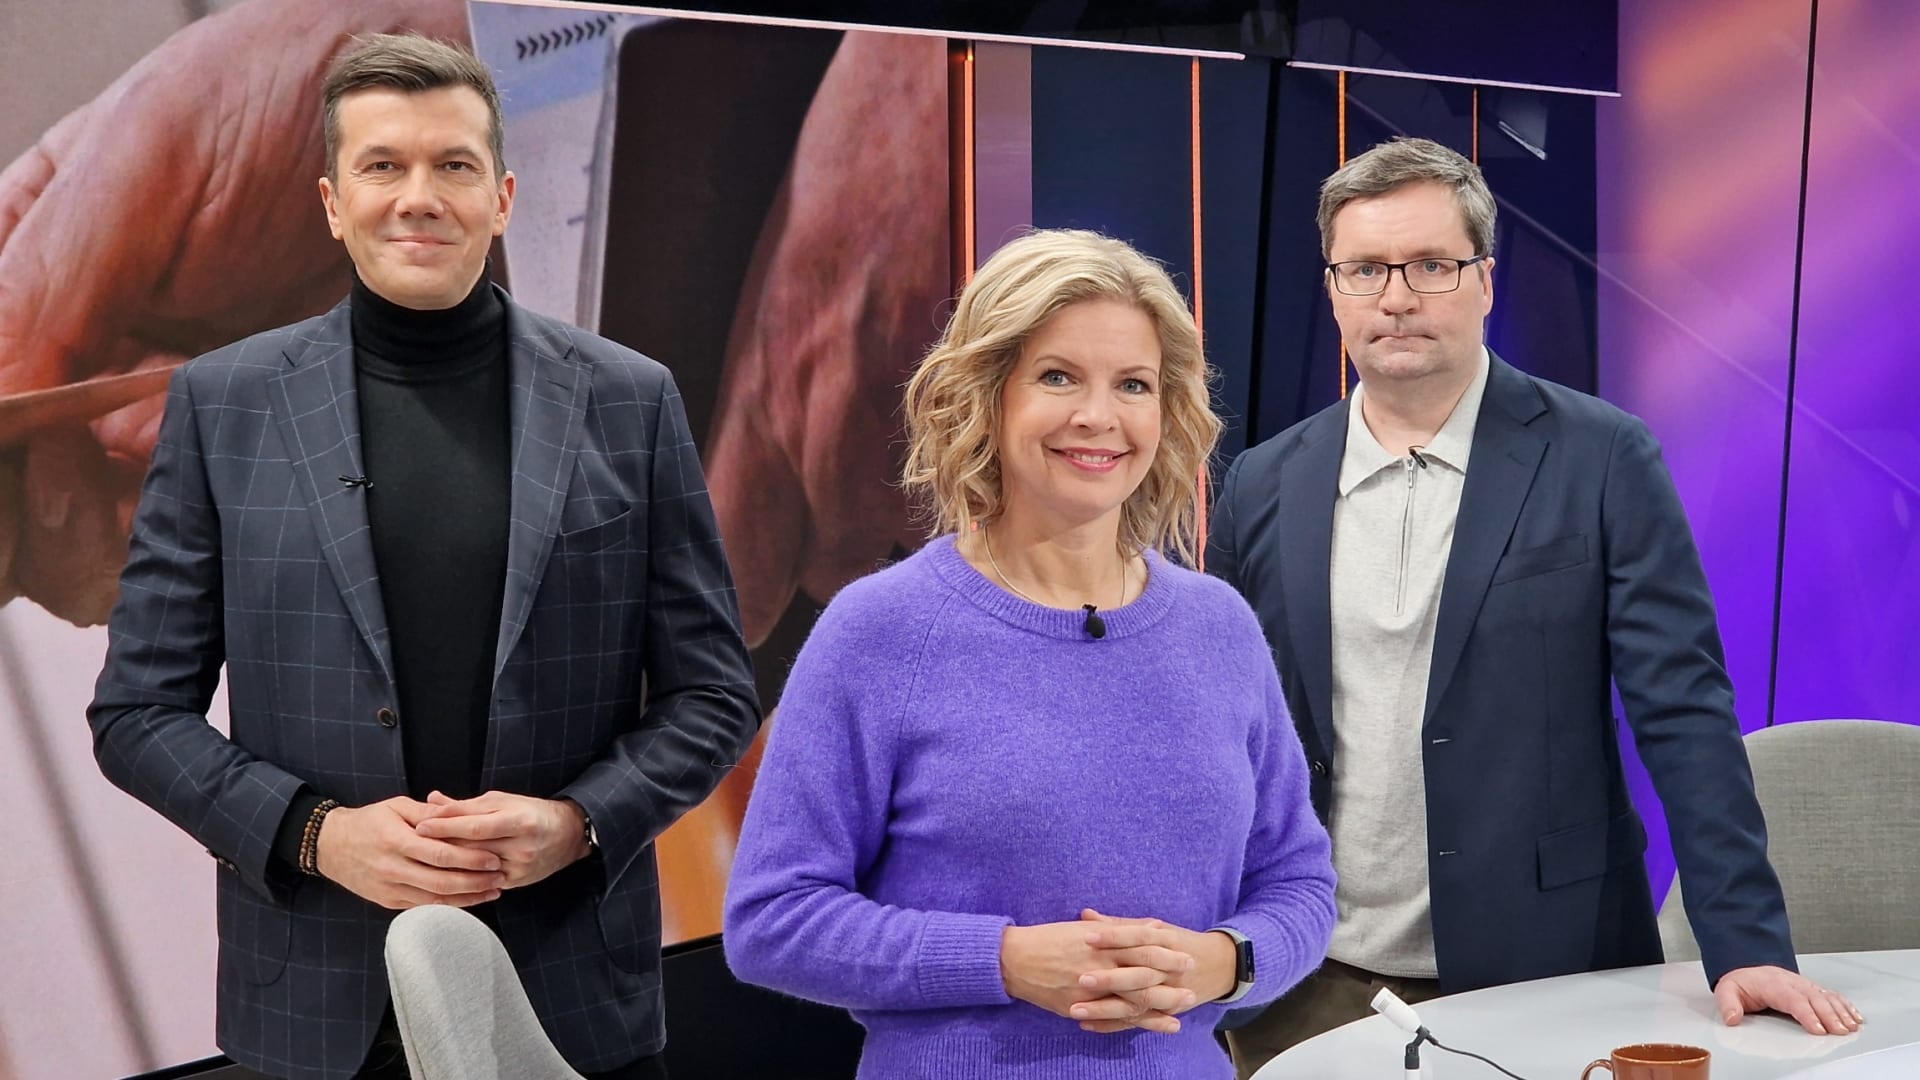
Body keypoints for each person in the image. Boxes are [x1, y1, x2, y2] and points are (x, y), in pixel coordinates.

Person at [87, 33, 759, 1080]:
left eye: (453, 165)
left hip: (572, 995)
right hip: (313, 1011)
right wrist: (317, 835)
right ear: (332, 202)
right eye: (382, 166)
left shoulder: (629, 400)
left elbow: (713, 694)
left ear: (502, 197)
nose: (418, 197)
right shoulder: (224, 407)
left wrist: (578, 823)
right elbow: (136, 715)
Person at [1206, 136, 1863, 1076]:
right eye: (1366, 270)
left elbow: (1683, 712)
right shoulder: (1264, 481)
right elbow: (1223, 733)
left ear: (1483, 279)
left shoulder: (1602, 457)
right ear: (1334, 289)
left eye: (1431, 266)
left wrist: (1747, 943)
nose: (1396, 297)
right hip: (1310, 978)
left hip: (1548, 967)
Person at [722, 229, 1337, 1079]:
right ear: (989, 395)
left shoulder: (1218, 627)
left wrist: (1225, 962)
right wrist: (1003, 961)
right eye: (1058, 377)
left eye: (1133, 384)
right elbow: (773, 920)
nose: (1099, 417)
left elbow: (1300, 883)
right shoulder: (880, 631)